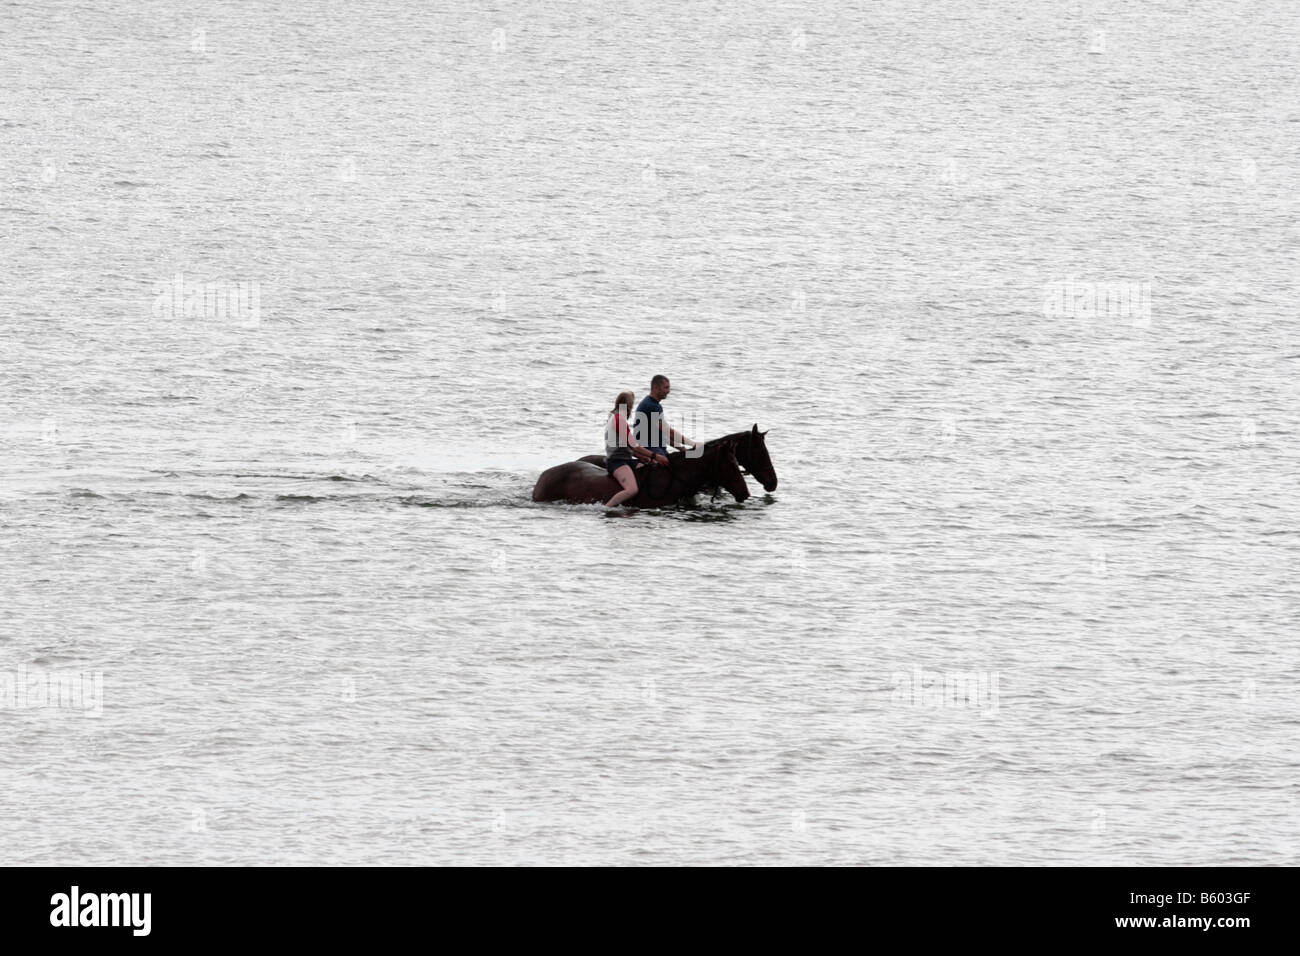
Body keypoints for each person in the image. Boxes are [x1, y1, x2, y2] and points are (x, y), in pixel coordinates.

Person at [604, 390, 669, 508]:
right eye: (631, 406)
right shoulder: (618, 420)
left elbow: (630, 448)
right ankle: (606, 508)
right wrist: (655, 456)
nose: (631, 409)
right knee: (632, 490)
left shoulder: (618, 417)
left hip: (627, 459)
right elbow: (634, 445)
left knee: (649, 469)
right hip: (617, 462)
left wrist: (647, 459)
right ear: (628, 406)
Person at [635, 375, 699, 460]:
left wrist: (681, 448)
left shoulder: (655, 405)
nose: (668, 391)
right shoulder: (651, 406)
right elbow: (669, 432)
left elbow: (664, 435)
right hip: (649, 448)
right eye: (666, 388)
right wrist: (692, 444)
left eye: (669, 388)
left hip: (658, 446)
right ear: (656, 387)